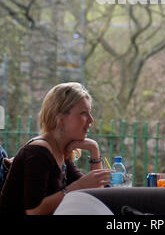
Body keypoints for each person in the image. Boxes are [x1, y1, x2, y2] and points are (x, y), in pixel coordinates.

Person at [0, 82, 111, 215]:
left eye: (90, 113)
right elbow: (34, 211)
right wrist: (78, 186)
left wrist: (94, 149)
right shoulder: (37, 152)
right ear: (60, 118)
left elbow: (95, 193)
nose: (91, 120)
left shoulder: (60, 151)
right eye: (83, 113)